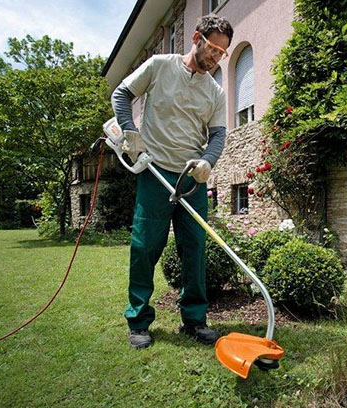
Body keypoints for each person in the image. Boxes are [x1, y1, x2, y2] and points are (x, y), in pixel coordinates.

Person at [111, 14, 234, 349]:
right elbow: (122, 95)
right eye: (212, 48)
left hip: (191, 179)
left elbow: (219, 135)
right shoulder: (159, 65)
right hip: (154, 172)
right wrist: (131, 133)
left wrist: (208, 162)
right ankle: (138, 320)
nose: (215, 57)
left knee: (194, 249)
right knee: (144, 247)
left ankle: (194, 320)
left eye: (222, 53)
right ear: (196, 38)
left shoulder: (215, 92)